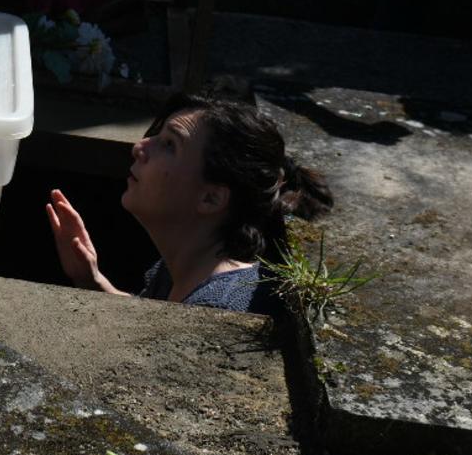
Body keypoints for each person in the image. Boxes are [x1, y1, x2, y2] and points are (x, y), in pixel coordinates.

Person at [45, 94, 333, 316]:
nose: (140, 147)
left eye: (170, 144)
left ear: (211, 198)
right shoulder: (180, 270)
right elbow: (148, 319)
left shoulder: (217, 311)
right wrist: (91, 279)